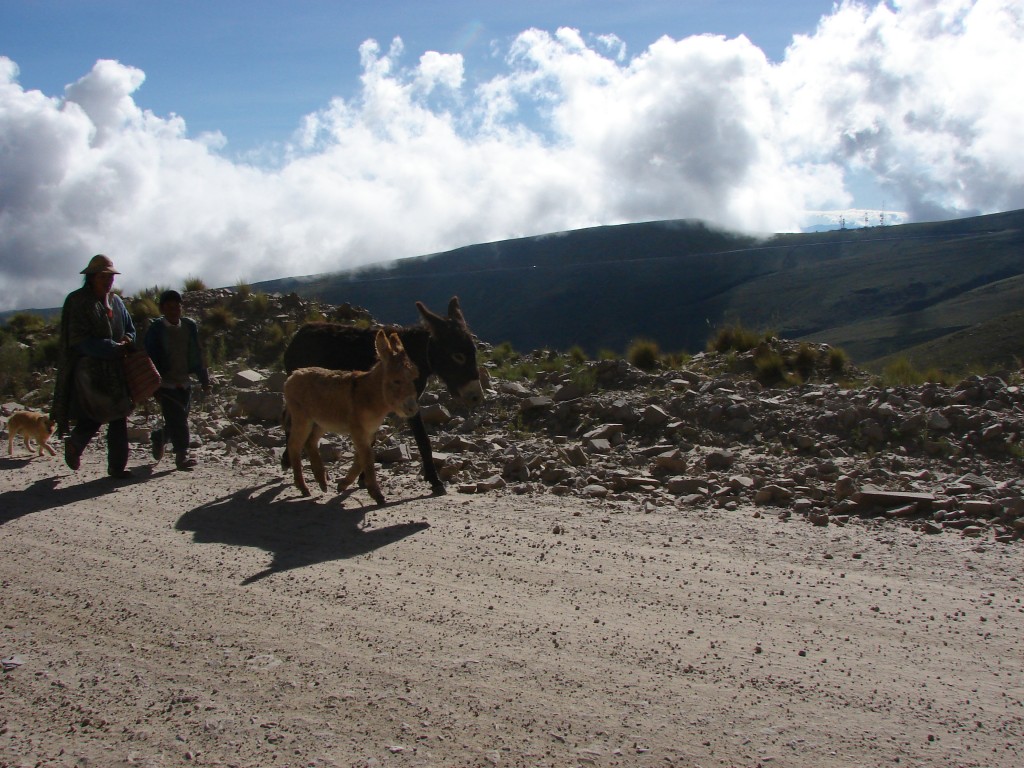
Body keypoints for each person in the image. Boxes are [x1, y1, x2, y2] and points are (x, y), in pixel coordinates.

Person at [51, 254, 137, 479]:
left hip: (116, 370)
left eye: (110, 276)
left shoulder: (116, 301)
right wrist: (111, 347)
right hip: (89, 370)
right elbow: (78, 340)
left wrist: (128, 339)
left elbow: (129, 327)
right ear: (91, 277)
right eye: (103, 276)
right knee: (97, 412)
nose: (108, 281)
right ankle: (76, 444)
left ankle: (116, 467)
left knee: (119, 415)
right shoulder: (77, 301)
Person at [144, 289, 210, 471]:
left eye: (177, 307)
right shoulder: (156, 329)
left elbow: (197, 354)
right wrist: (153, 387)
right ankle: (182, 456)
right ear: (162, 308)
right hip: (165, 383)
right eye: (170, 307)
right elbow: (149, 357)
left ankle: (160, 437)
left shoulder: (189, 326)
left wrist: (204, 379)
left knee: (178, 419)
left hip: (184, 382)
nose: (174, 311)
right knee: (179, 420)